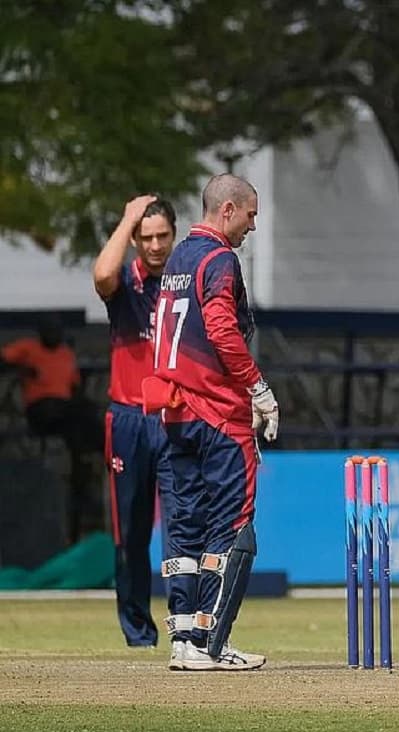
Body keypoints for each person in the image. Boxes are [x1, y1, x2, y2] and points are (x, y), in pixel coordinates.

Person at [142, 173, 279, 671]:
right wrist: (257, 389)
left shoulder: (176, 258)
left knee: (183, 525)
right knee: (233, 524)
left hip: (173, 412)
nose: (253, 226)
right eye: (250, 215)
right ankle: (210, 643)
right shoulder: (220, 259)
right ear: (227, 211)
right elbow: (222, 329)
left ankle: (183, 641)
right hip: (217, 414)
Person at [93, 194, 179, 648]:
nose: (155, 245)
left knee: (181, 526)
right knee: (130, 530)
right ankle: (139, 633)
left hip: (174, 417)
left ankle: (185, 624)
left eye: (162, 235)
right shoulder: (124, 281)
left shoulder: (184, 283)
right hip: (127, 419)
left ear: (174, 234)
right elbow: (102, 275)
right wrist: (126, 218)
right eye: (145, 237)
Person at [1, 314, 103, 542]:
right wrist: (22, 369)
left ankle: (91, 463)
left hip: (65, 409)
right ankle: (85, 470)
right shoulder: (28, 349)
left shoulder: (66, 354)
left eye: (57, 332)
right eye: (49, 332)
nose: (53, 336)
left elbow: (75, 386)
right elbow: (3, 358)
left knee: (83, 418)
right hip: (41, 408)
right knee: (72, 417)